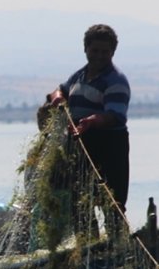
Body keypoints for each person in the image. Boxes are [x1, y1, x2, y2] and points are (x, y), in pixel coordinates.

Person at [39, 24, 131, 212]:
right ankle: (88, 240)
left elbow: (114, 116)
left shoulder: (116, 81)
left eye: (105, 51)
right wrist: (56, 97)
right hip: (81, 144)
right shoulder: (80, 75)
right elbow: (60, 90)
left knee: (113, 203)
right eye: (94, 50)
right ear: (85, 49)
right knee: (79, 202)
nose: (99, 55)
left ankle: (115, 238)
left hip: (109, 147)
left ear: (113, 52)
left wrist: (91, 121)